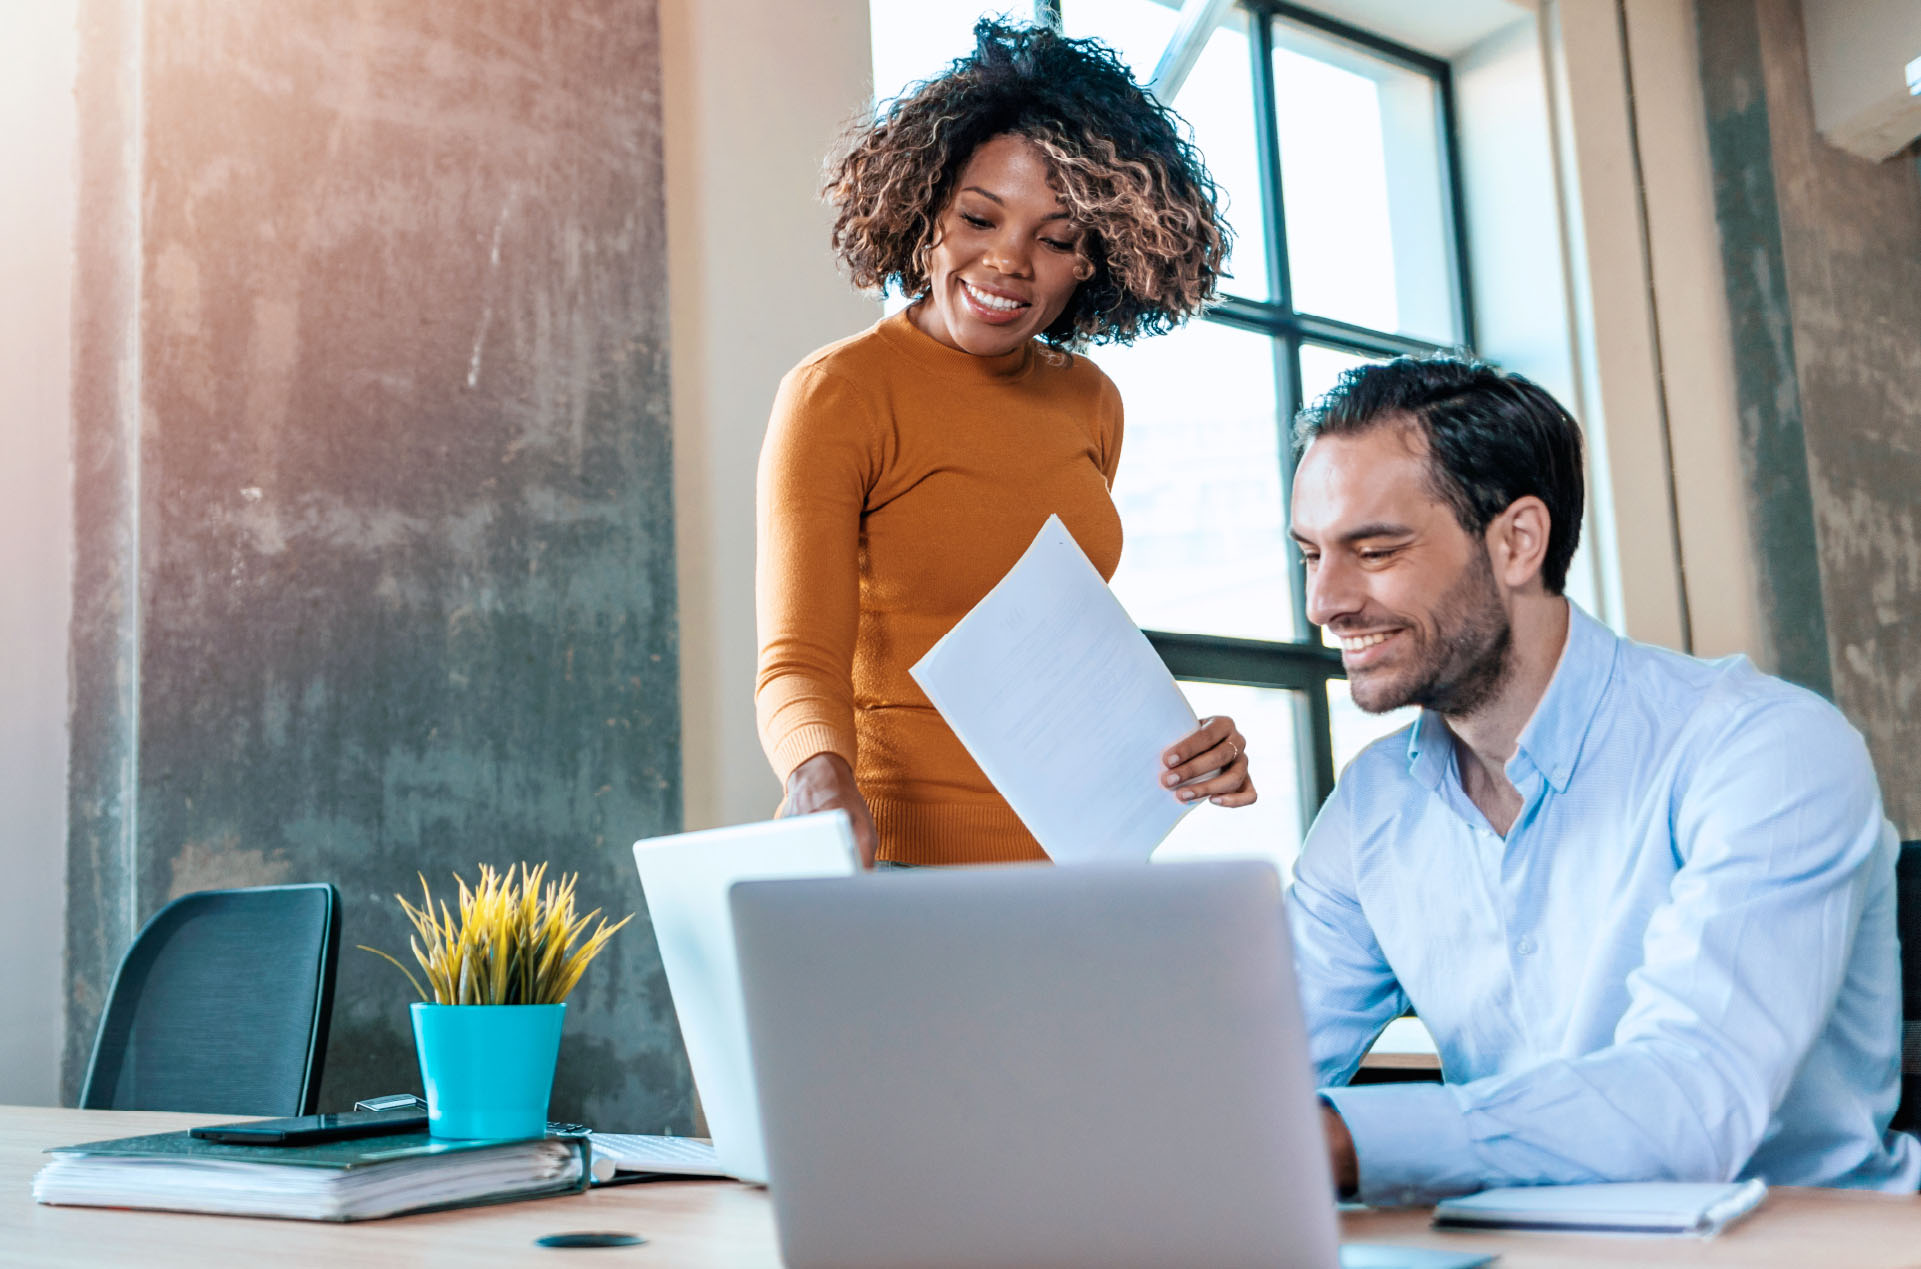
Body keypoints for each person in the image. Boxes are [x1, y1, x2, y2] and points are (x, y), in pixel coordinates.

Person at [1286, 356, 1921, 1204]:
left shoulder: (1763, 750)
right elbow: (1254, 1066)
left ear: (1516, 541)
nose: (1323, 601)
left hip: (1798, 1246)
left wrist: (1342, 1142)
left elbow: (1691, 1107)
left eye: (1372, 550)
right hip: (1526, 1246)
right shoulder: (1371, 808)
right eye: (1309, 555)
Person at [755, 21, 1255, 867]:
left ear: (1095, 259)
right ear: (923, 211)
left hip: (1075, 868)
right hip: (897, 863)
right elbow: (797, 660)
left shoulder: (1090, 403)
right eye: (978, 218)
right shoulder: (839, 392)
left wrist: (1188, 747)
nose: (1006, 262)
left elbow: (1058, 650)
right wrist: (817, 777)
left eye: (1055, 239)